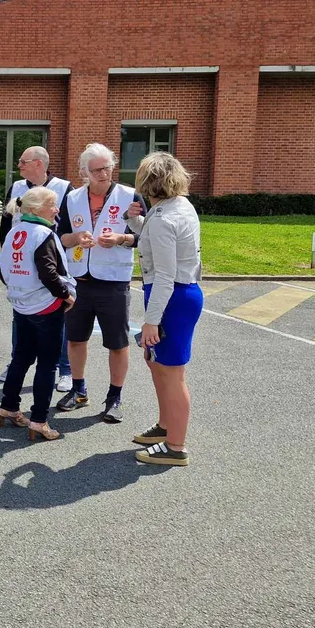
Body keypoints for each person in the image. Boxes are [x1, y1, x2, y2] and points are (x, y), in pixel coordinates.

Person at [55, 143, 146, 424]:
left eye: (107, 167)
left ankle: (114, 397)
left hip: (114, 282)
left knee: (117, 343)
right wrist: (76, 237)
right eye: (96, 170)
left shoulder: (130, 195)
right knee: (76, 339)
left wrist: (121, 238)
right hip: (79, 280)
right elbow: (60, 237)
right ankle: (79, 390)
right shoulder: (71, 198)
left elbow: (144, 237)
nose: (103, 174)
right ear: (84, 172)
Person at [127, 153, 203, 466]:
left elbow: (164, 278)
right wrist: (136, 223)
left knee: (172, 374)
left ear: (148, 183)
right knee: (158, 365)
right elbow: (160, 240)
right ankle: (166, 426)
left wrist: (151, 322)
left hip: (170, 298)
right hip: (180, 295)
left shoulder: (161, 218)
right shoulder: (177, 208)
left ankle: (176, 445)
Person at [0, 186, 75, 441]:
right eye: (52, 205)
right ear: (36, 209)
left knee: (21, 357)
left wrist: (19, 290)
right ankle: (39, 420)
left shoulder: (14, 232)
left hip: (21, 305)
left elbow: (3, 271)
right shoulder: (43, 234)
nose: (56, 210)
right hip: (45, 306)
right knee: (47, 364)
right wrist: (66, 294)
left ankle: (8, 406)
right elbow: (49, 273)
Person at [0, 146, 73, 390]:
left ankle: (65, 370)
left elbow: (68, 225)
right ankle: (16, 362)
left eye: (23, 161)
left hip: (49, 262)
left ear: (39, 163)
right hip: (23, 265)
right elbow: (6, 224)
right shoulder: (17, 188)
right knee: (20, 317)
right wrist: (6, 257)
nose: (19, 166)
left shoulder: (63, 188)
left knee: (57, 319)